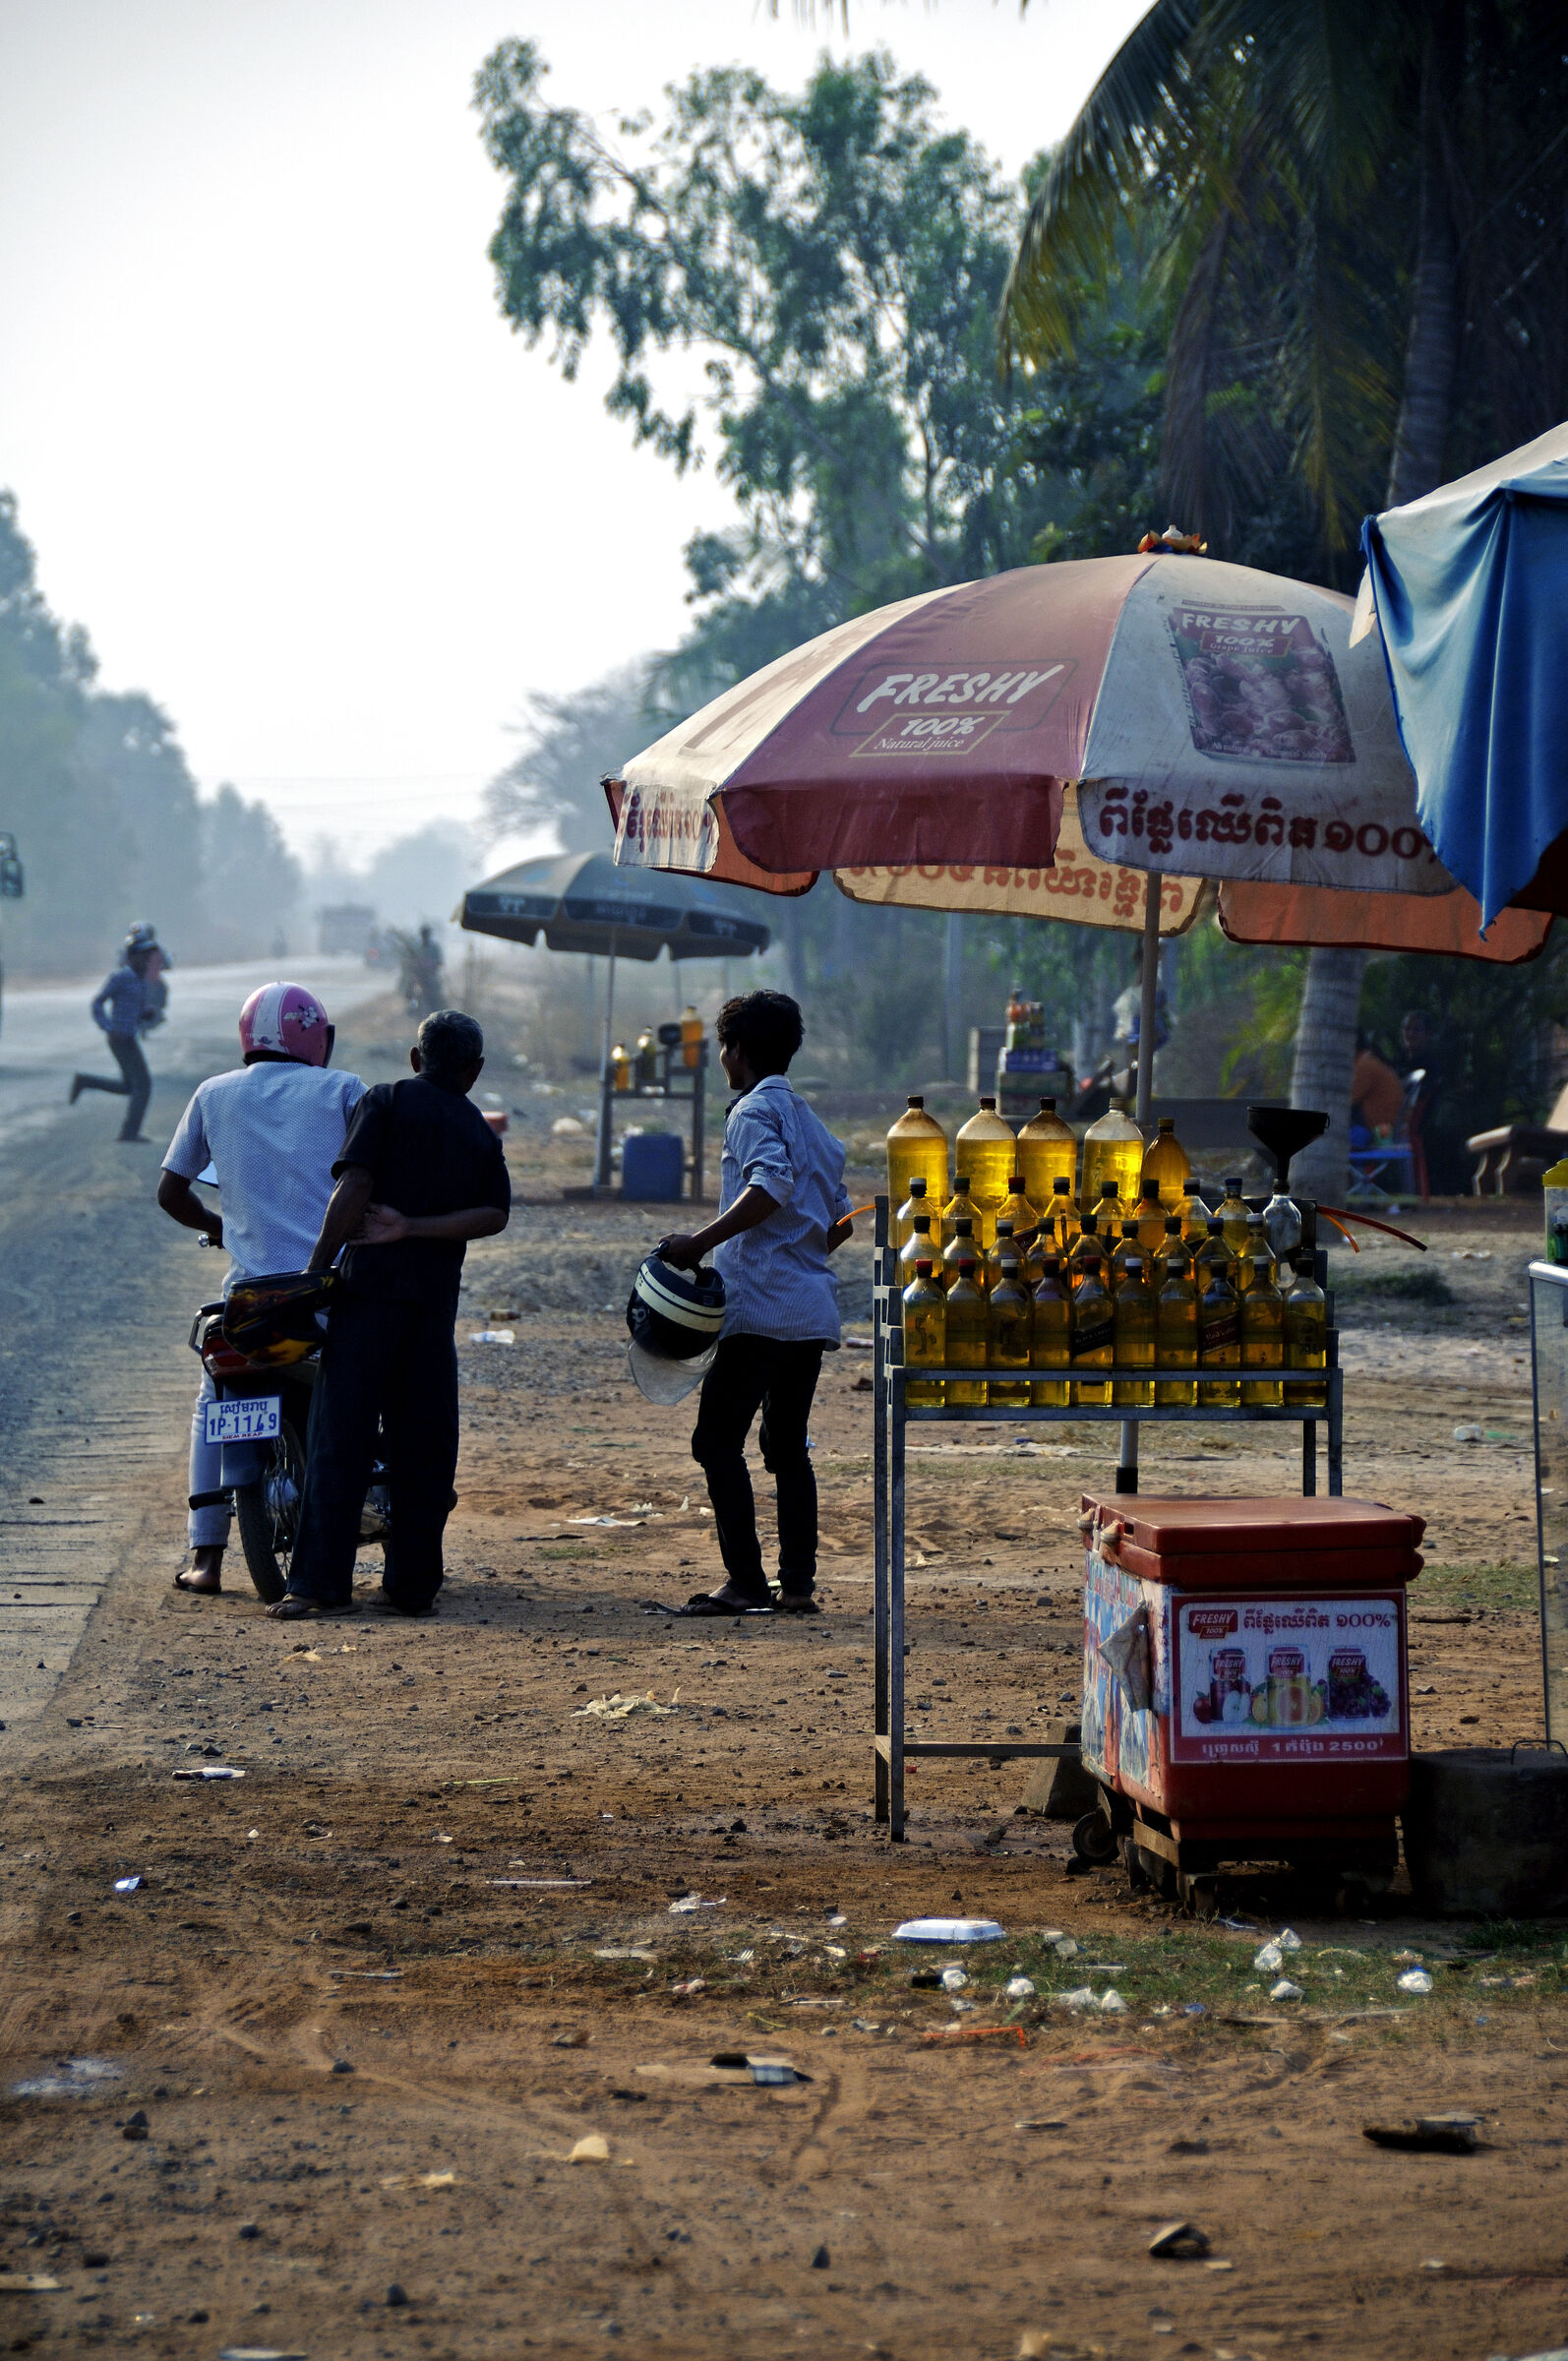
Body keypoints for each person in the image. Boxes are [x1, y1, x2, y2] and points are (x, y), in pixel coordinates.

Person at [268, 1008, 511, 1621]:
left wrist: (317, 1269)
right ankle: (411, 1587)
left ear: (415, 1058)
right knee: (424, 1445)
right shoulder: (479, 1131)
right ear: (475, 1070)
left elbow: (353, 1188)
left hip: (369, 1297)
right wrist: (417, 1228)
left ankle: (318, 1586)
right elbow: (494, 1215)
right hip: (431, 1307)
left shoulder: (386, 1100)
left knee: (339, 1439)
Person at [156, 983, 364, 1596]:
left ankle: (206, 1557)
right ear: (316, 1037)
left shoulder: (212, 1094)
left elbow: (171, 1192)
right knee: (371, 1386)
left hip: (250, 1307)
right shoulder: (345, 1090)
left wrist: (221, 1226)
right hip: (325, 1296)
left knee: (212, 1401)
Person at [657, 989, 853, 1617]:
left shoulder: (750, 1112)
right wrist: (800, 1247)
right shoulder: (815, 1126)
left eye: (724, 1047)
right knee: (787, 1445)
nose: (723, 1058)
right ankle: (796, 1587)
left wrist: (698, 1244)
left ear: (737, 1051)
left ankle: (745, 1581)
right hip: (809, 1310)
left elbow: (770, 1183)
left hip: (760, 1309)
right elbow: (841, 1221)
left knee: (716, 1442)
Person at [71, 923, 167, 1141]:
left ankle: (85, 1081)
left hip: (129, 1036)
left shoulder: (139, 979)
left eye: (147, 956)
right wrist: (108, 1027)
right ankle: (129, 1132)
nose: (146, 960)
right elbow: (97, 1003)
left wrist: (144, 1013)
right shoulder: (121, 977)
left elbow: (130, 1009)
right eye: (142, 956)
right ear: (131, 957)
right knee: (143, 1085)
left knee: (128, 1086)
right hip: (120, 1039)